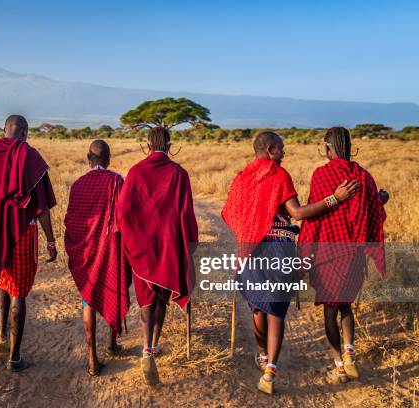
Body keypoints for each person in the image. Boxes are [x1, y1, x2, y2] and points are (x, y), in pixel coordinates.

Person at [221, 131, 359, 395]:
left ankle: (262, 355)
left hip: (250, 251)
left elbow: (227, 213)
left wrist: (249, 230)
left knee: (259, 308)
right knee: (277, 310)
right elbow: (296, 213)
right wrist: (335, 199)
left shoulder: (241, 179)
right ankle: (270, 371)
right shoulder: (278, 174)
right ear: (271, 150)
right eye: (282, 149)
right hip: (279, 249)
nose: (284, 153)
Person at [0, 115, 57, 372]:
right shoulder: (31, 157)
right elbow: (42, 209)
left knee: (1, 279)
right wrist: (50, 241)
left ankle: (1, 333)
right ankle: (15, 357)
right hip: (22, 234)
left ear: (4, 131)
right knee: (19, 293)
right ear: (25, 133)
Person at [299, 126, 388, 384]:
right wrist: (381, 198)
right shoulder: (364, 176)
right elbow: (370, 213)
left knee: (329, 310)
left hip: (327, 253)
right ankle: (350, 355)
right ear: (349, 147)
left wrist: (306, 252)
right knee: (346, 305)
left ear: (328, 148)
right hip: (354, 255)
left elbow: (313, 216)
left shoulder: (322, 175)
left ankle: (338, 366)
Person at [117, 127, 198, 386]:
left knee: (145, 300)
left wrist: (132, 241)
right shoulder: (180, 174)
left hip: (141, 247)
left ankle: (145, 348)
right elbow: (186, 214)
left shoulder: (136, 171)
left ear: (147, 145)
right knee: (162, 294)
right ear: (170, 144)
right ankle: (154, 345)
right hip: (168, 247)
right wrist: (189, 245)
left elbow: (123, 213)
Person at [64, 140, 131, 377]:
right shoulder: (116, 181)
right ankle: (112, 343)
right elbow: (124, 219)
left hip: (85, 253)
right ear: (109, 159)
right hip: (111, 250)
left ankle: (92, 358)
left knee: (88, 298)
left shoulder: (78, 185)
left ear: (88, 158)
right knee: (116, 285)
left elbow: (70, 221)